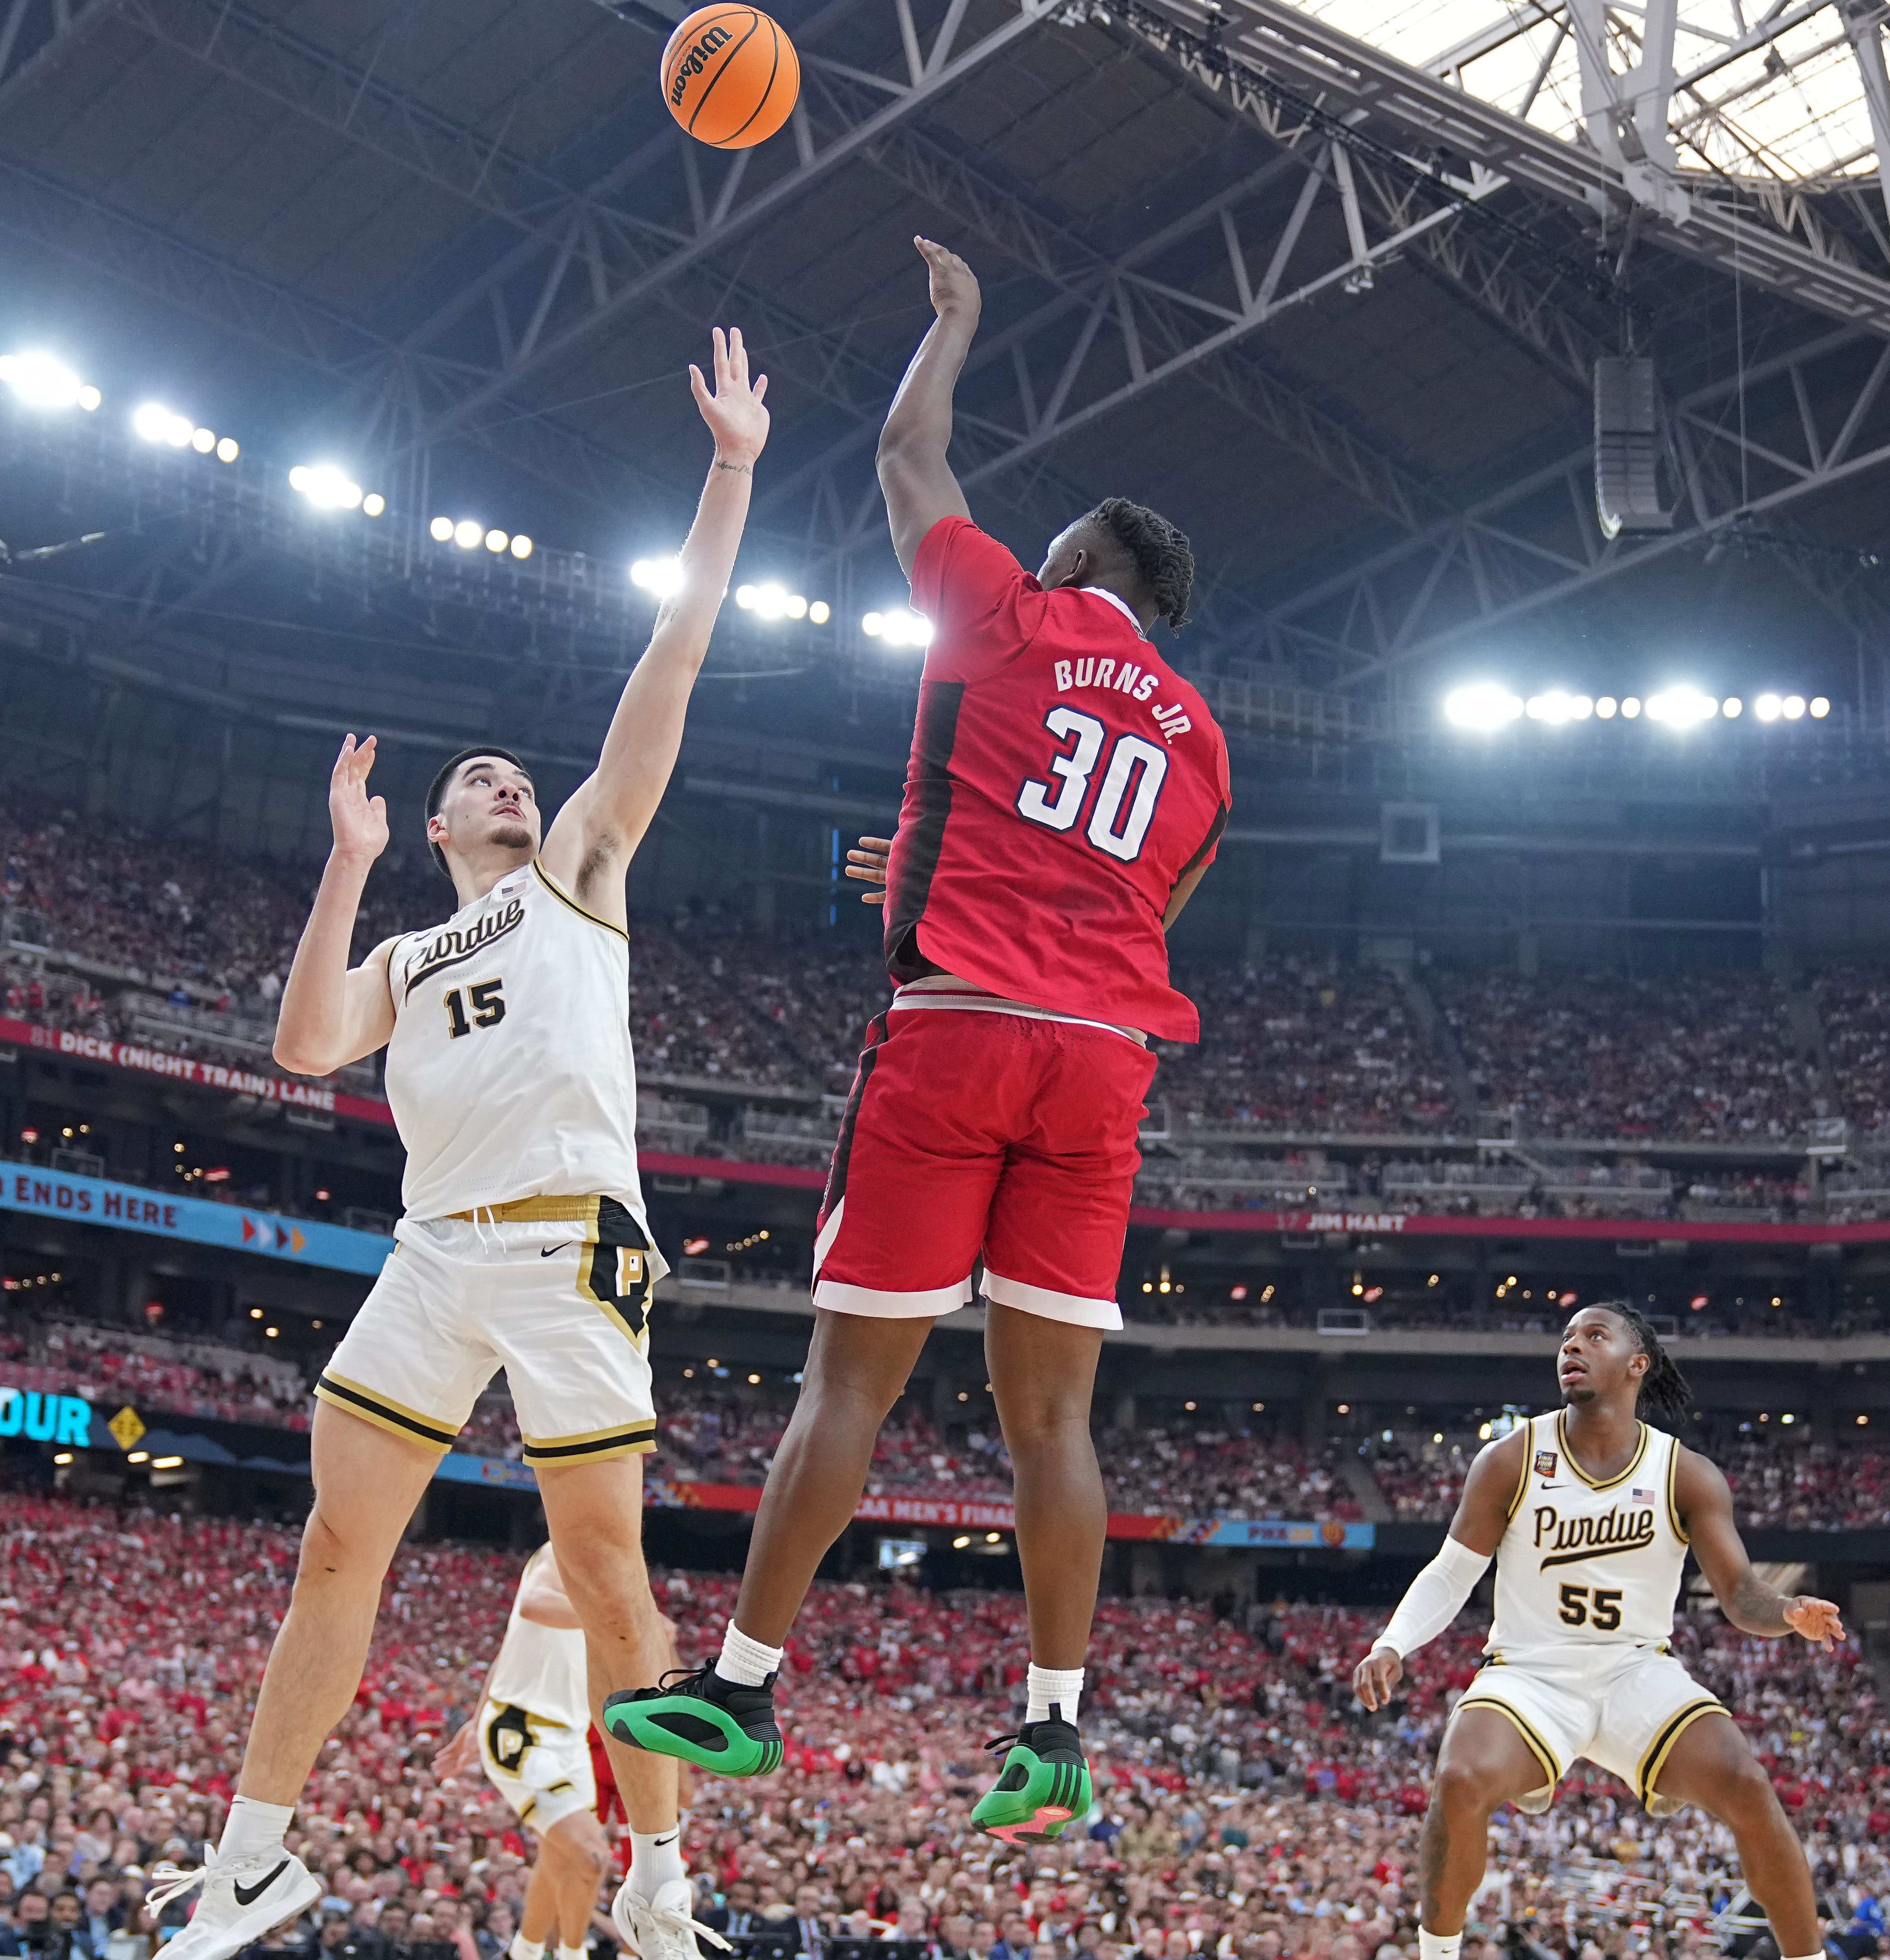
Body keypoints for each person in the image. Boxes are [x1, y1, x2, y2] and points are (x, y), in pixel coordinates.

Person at [142, 327, 771, 1960]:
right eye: (471, 781)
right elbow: (300, 1046)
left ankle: (659, 1880)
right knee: (337, 1541)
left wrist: (729, 470)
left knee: (605, 1573)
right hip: (439, 1249)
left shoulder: (577, 866)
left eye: (510, 770)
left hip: (571, 1239)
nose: (504, 779)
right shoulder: (412, 951)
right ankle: (252, 1861)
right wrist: (345, 865)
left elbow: (675, 657)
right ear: (437, 828)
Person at [604, 235, 1230, 1843]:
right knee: (1054, 1424)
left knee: (851, 1387)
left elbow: (904, 454)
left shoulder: (1010, 609)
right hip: (1100, 1064)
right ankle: (1055, 1727)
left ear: (1080, 550)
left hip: (957, 1028)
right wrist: (957, 864)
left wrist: (951, 327)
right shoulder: (1208, 744)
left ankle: (740, 1688)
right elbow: (1145, 890)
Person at [1350, 1304, 1846, 1960]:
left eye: (1594, 1336)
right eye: (1565, 1338)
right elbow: (1451, 1573)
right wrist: (1392, 1643)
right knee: (1461, 1777)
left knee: (1747, 1783)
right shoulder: (1512, 1457)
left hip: (1636, 1669)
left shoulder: (1685, 1473)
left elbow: (1739, 1594)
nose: (1572, 1347)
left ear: (1637, 1363)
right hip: (1530, 1670)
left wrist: (1787, 1611)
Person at [430, 1547, 607, 1960]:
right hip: (521, 1729)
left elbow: (510, 1650)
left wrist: (474, 1721)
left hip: (571, 1736)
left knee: (560, 1857)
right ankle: (569, 1954)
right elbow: (532, 1603)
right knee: (591, 1855)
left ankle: (524, 1952)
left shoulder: (617, 1572)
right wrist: (621, 1616)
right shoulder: (561, 1551)